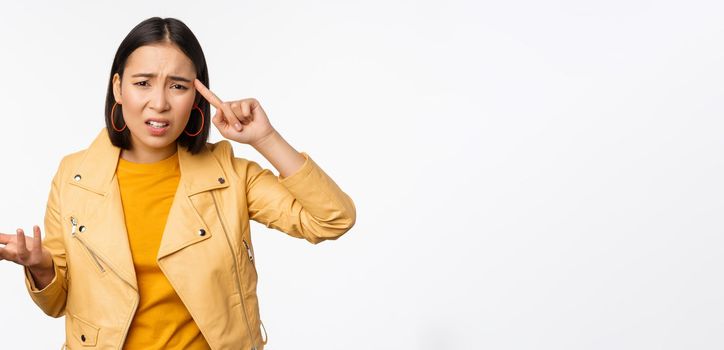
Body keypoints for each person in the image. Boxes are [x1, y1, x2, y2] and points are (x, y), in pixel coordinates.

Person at [0, 17, 356, 349]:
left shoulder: (229, 174)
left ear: (197, 96)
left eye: (178, 86)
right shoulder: (74, 176)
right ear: (118, 87)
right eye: (143, 83)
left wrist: (265, 138)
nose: (160, 103)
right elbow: (57, 303)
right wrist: (41, 266)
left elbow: (331, 219)